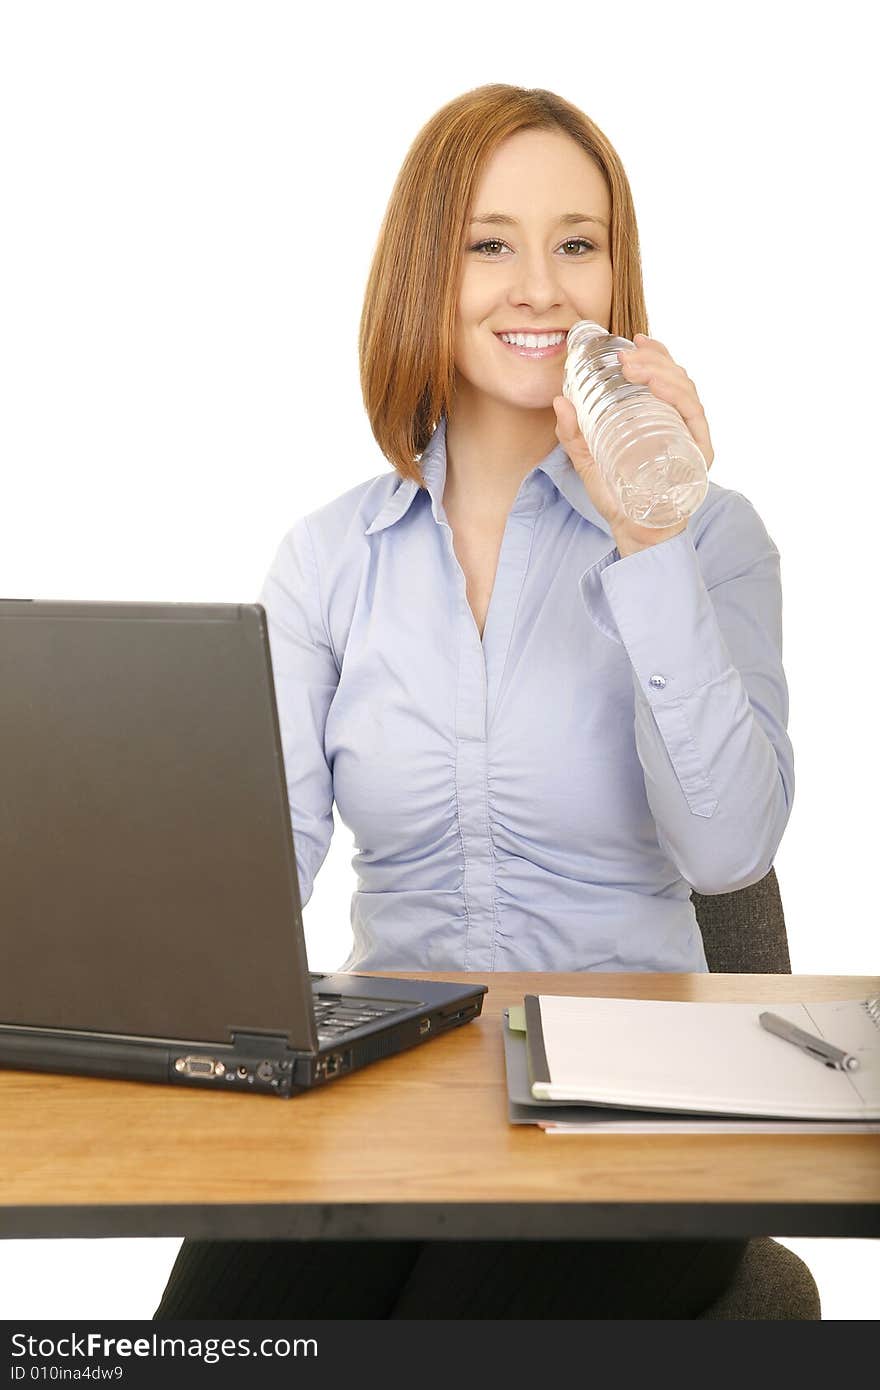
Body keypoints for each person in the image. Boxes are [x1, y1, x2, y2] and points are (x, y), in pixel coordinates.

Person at [154, 83, 792, 1319]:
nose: (539, 286)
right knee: (198, 1346)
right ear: (424, 275)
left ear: (618, 278)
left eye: (578, 244)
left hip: (638, 1105)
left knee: (446, 1331)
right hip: (387, 1082)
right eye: (489, 244)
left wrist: (646, 539)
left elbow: (728, 850)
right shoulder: (331, 558)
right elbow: (253, 881)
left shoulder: (714, 541)